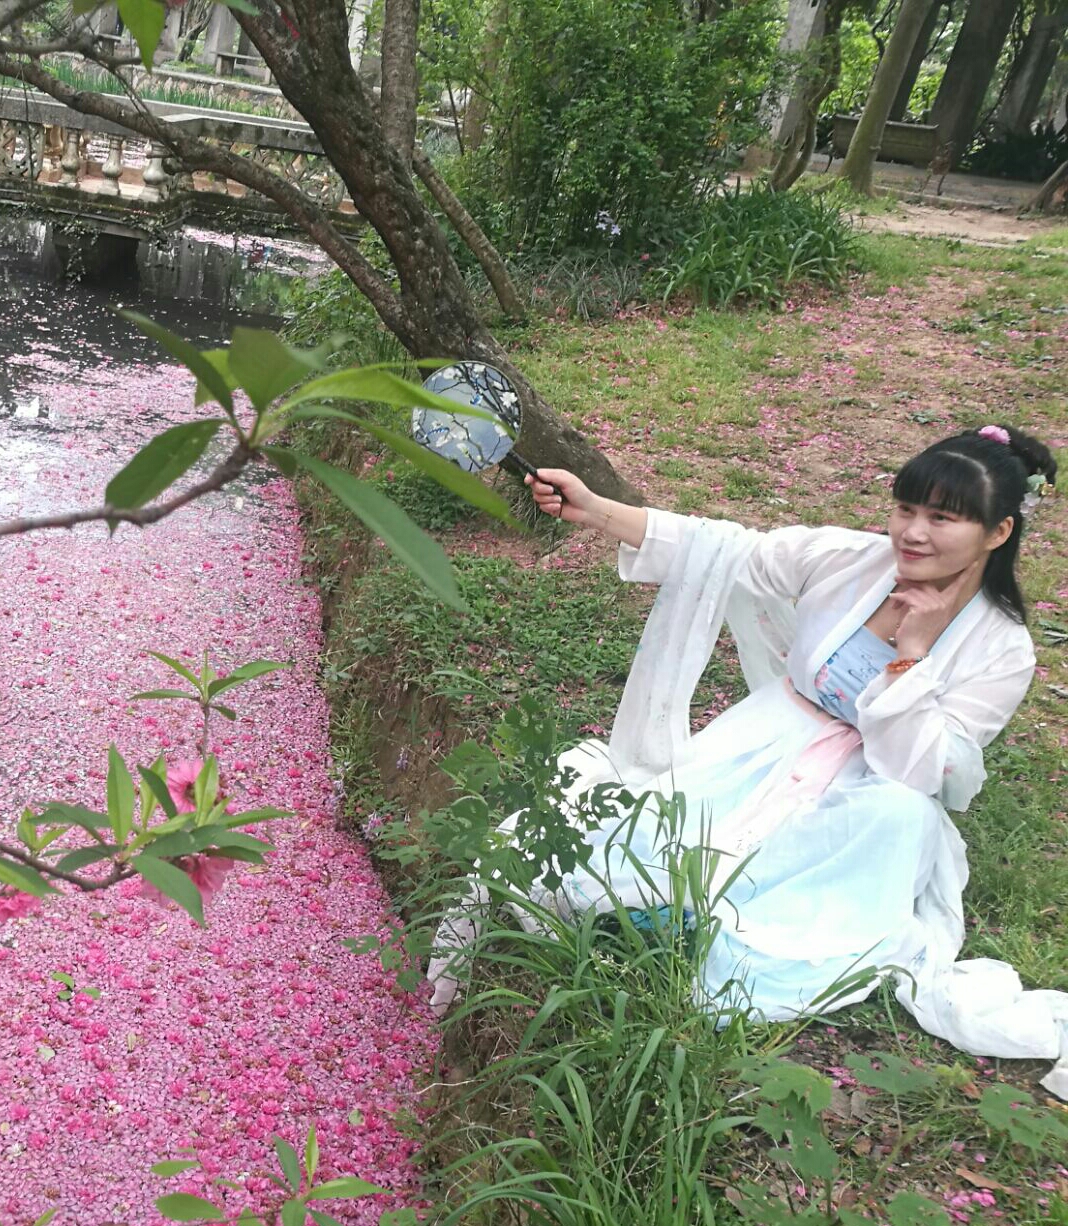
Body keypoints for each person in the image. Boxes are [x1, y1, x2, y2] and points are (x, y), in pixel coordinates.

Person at [446, 424, 1066, 1093]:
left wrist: (909, 658)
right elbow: (723, 550)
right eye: (905, 510)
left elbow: (928, 771)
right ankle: (660, 914)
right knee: (642, 844)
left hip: (872, 784)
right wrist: (592, 507)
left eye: (941, 519)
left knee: (899, 819)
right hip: (770, 742)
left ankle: (715, 934)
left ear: (997, 533)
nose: (912, 533)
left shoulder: (1002, 649)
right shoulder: (849, 561)